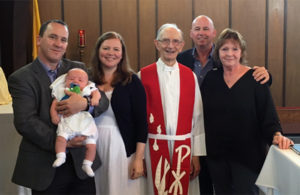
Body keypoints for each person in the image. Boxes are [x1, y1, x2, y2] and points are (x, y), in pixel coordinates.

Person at [8, 19, 108, 194]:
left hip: (80, 164)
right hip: (45, 166)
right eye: (52, 37)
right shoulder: (21, 78)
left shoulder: (78, 69)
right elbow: (26, 122)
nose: (58, 44)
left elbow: (103, 101)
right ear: (39, 39)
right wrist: (64, 142)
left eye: (63, 39)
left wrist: (84, 105)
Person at [177, 15, 271, 195]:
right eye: (197, 29)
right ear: (191, 33)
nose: (201, 33)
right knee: (206, 187)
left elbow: (254, 89)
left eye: (206, 29)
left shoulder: (227, 64)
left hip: (244, 151)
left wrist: (267, 75)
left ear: (213, 33)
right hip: (203, 137)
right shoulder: (181, 59)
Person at [200, 28, 294, 194]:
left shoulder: (256, 78)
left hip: (248, 158)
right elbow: (201, 117)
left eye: (235, 49)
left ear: (241, 52)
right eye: (224, 49)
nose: (230, 54)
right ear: (218, 52)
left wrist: (276, 134)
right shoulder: (210, 79)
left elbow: (268, 115)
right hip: (217, 157)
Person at [139, 23, 206, 195]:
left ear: (182, 45)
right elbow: (138, 119)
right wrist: (140, 156)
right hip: (152, 146)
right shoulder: (143, 75)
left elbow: (197, 118)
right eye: (165, 41)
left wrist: (196, 155)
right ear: (157, 44)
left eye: (176, 41)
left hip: (183, 147)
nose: (170, 46)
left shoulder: (189, 76)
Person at [90, 31, 148, 195]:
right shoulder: (86, 78)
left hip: (120, 147)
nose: (111, 53)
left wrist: (138, 158)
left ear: (122, 54)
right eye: (106, 48)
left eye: (116, 49)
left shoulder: (132, 81)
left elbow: (142, 123)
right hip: (91, 145)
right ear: (98, 51)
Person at [50, 68, 101, 177]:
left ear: (87, 83)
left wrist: (93, 100)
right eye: (71, 79)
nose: (75, 81)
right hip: (67, 120)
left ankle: (87, 164)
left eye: (80, 80)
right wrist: (54, 115)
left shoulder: (88, 89)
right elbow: (54, 104)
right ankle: (60, 156)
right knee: (61, 138)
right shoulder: (62, 90)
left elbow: (97, 94)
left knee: (91, 144)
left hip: (84, 121)